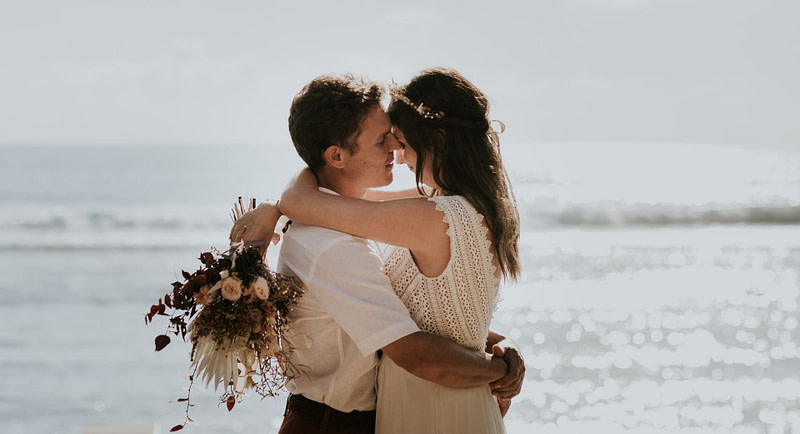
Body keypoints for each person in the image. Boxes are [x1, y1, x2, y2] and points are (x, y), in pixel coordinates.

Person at [230, 73, 523, 434]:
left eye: (398, 139)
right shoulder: (339, 238)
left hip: (424, 407)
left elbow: (425, 320)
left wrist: (498, 353)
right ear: (336, 155)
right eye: (383, 140)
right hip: (339, 423)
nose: (395, 153)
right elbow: (418, 336)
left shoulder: (427, 213)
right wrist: (499, 365)